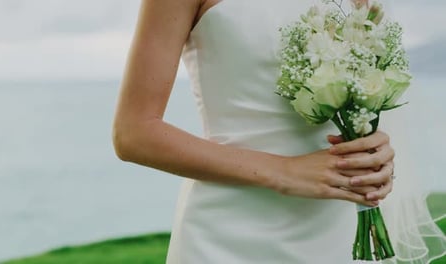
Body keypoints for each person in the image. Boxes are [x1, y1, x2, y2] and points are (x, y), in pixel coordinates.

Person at [113, 0, 446, 263]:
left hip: (339, 234)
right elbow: (134, 133)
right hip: (229, 240)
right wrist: (284, 170)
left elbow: (360, 97)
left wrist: (374, 152)